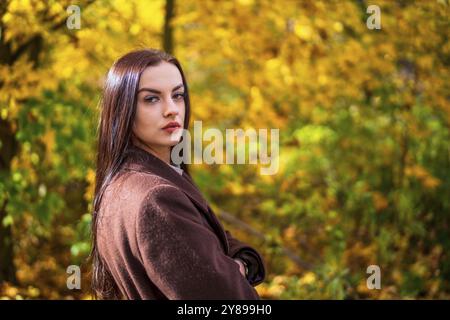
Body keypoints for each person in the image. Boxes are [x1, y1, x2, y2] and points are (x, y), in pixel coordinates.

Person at [91, 48, 266, 299]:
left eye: (178, 95)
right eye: (151, 99)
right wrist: (232, 272)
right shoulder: (156, 198)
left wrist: (240, 263)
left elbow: (212, 240)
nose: (172, 109)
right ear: (123, 109)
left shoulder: (122, 183)